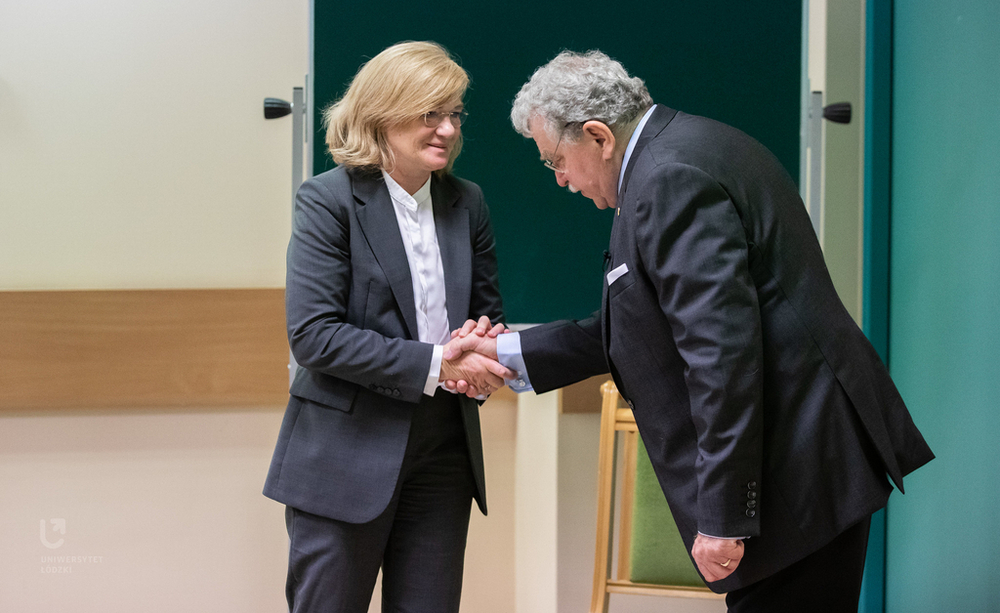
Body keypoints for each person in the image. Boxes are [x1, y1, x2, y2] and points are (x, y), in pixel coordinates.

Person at [445, 50, 934, 612]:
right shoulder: (679, 151)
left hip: (796, 470)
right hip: (804, 457)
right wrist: (506, 350)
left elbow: (721, 355)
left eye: (556, 159)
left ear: (599, 136)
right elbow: (640, 325)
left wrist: (724, 516)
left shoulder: (667, 179)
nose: (560, 180)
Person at [263, 40, 515, 613]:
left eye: (454, 114)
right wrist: (439, 362)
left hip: (444, 451)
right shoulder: (327, 200)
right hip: (344, 452)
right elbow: (314, 334)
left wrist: (484, 357)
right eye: (430, 113)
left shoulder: (466, 202)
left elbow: (485, 317)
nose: (447, 129)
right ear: (382, 113)